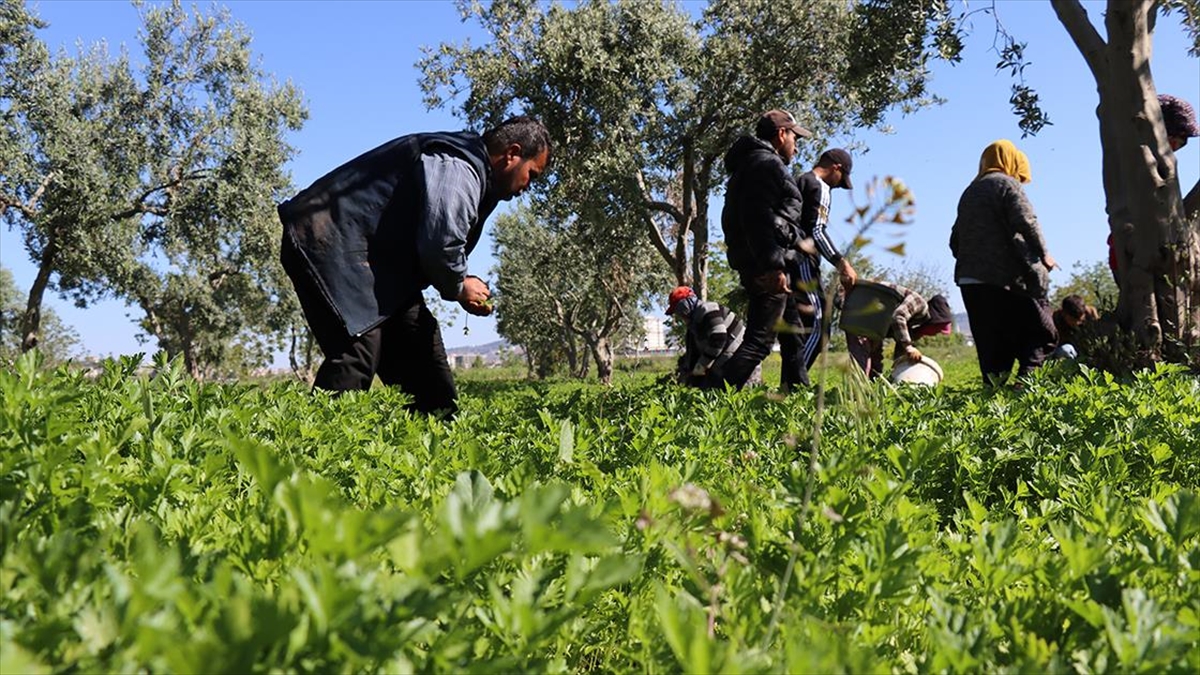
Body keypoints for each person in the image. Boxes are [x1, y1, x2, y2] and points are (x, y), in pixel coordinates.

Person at [278, 116, 551, 415]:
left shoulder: (473, 169)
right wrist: (460, 286)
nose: (528, 186)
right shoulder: (459, 166)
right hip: (328, 241)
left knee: (420, 351)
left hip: (379, 266)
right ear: (512, 154)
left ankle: (441, 439)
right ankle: (318, 449)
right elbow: (439, 244)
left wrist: (459, 281)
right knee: (358, 350)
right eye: (532, 174)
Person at [950, 139, 1059, 385]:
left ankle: (993, 398)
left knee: (992, 347)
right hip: (1004, 280)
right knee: (1041, 333)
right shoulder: (1006, 184)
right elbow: (1026, 220)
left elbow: (955, 239)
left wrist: (973, 260)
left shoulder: (969, 192)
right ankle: (1025, 387)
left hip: (970, 281)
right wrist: (1044, 253)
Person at [718, 109, 813, 389]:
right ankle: (706, 397)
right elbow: (757, 219)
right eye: (795, 137)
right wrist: (773, 265)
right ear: (782, 134)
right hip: (767, 266)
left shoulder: (752, 165)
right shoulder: (764, 165)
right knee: (759, 342)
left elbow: (770, 218)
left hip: (766, 260)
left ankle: (796, 392)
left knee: (794, 333)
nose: (796, 145)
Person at [779, 148, 859, 390]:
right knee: (820, 323)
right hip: (802, 261)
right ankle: (795, 385)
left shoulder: (799, 180)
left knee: (795, 328)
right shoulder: (820, 186)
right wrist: (841, 262)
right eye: (841, 180)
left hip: (784, 259)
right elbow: (816, 231)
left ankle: (788, 384)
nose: (837, 186)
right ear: (836, 167)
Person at [844, 283, 953, 380]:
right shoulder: (919, 303)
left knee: (875, 362)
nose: (935, 333)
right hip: (861, 308)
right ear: (934, 321)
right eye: (937, 329)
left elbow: (900, 346)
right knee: (862, 362)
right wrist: (908, 347)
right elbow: (898, 316)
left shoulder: (913, 322)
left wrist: (902, 363)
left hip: (873, 320)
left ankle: (872, 393)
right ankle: (856, 398)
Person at [665, 286, 745, 388]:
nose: (679, 315)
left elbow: (719, 337)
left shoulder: (708, 309)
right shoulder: (693, 326)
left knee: (742, 394)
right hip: (727, 359)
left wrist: (701, 365)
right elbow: (693, 354)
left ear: (685, 306)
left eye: (678, 311)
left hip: (741, 355)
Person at [1050, 294, 1099, 359]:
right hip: (1067, 348)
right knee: (1065, 350)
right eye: (1073, 320)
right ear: (1064, 314)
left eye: (1080, 320)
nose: (1077, 323)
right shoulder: (1055, 319)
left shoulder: (1091, 314)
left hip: (1086, 347)